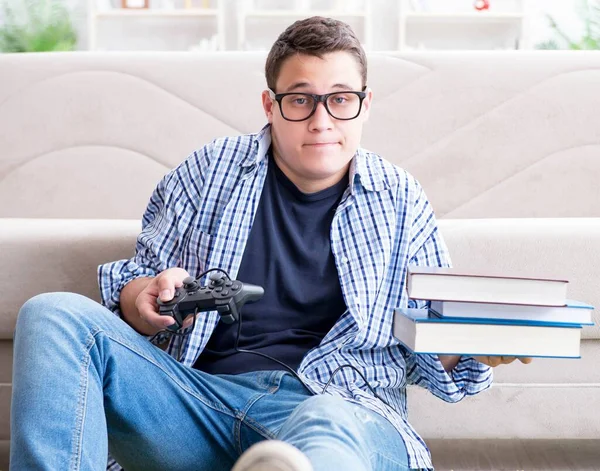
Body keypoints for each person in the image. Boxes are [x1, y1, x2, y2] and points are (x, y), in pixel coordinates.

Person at [10, 16, 531, 471]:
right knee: (53, 314)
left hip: (343, 412)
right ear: (270, 104)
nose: (322, 120)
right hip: (199, 408)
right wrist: (143, 296)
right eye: (301, 99)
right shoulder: (208, 171)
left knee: (327, 418)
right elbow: (135, 285)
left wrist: (473, 351)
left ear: (365, 105)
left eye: (341, 100)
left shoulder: (400, 199)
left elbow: (426, 348)